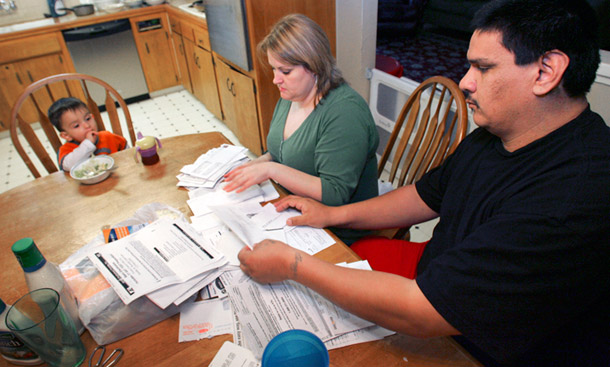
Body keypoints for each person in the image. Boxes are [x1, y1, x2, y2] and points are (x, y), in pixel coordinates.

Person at [237, 1, 610, 366]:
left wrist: (292, 266)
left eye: (483, 67)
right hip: (438, 277)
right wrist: (334, 213)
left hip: (478, 347)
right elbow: (422, 196)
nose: (465, 81)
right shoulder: (498, 132)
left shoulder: (574, 196)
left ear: (546, 71)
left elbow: (423, 312)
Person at [222, 14, 379, 244]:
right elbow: (279, 151)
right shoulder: (292, 94)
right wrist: (253, 166)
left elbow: (335, 194)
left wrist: (271, 170)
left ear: (315, 66)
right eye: (274, 69)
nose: (276, 80)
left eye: (285, 71)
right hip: (293, 206)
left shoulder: (345, 113)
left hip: (338, 231)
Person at [48, 97, 127, 171]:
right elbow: (68, 166)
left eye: (88, 119)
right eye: (76, 126)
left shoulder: (107, 136)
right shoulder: (66, 150)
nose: (87, 125)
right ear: (66, 135)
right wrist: (88, 144)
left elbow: (128, 151)